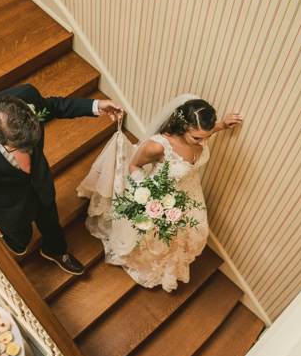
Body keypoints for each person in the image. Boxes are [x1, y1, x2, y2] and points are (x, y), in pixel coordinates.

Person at [0, 84, 123, 274]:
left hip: (41, 182)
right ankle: (17, 241)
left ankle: (56, 250)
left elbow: (54, 107)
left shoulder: (26, 96)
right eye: (16, 149)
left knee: (51, 220)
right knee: (20, 239)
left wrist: (95, 106)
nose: (27, 153)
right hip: (6, 206)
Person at [79, 95, 241, 291]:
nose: (203, 144)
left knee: (188, 231)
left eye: (207, 137)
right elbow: (134, 165)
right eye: (197, 138)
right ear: (182, 128)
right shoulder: (158, 145)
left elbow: (205, 133)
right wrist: (146, 195)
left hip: (189, 190)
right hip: (159, 194)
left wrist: (222, 125)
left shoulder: (200, 136)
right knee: (158, 236)